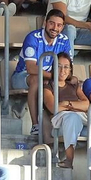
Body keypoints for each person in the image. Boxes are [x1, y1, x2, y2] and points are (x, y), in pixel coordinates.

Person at [15, 11, 72, 141]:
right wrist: (52, 76)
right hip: (23, 75)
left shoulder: (64, 40)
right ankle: (35, 125)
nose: (55, 28)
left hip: (50, 77)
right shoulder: (33, 37)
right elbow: (31, 68)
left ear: (62, 27)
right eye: (52, 23)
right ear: (45, 23)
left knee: (73, 80)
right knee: (37, 79)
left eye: (59, 25)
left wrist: (57, 77)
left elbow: (68, 66)